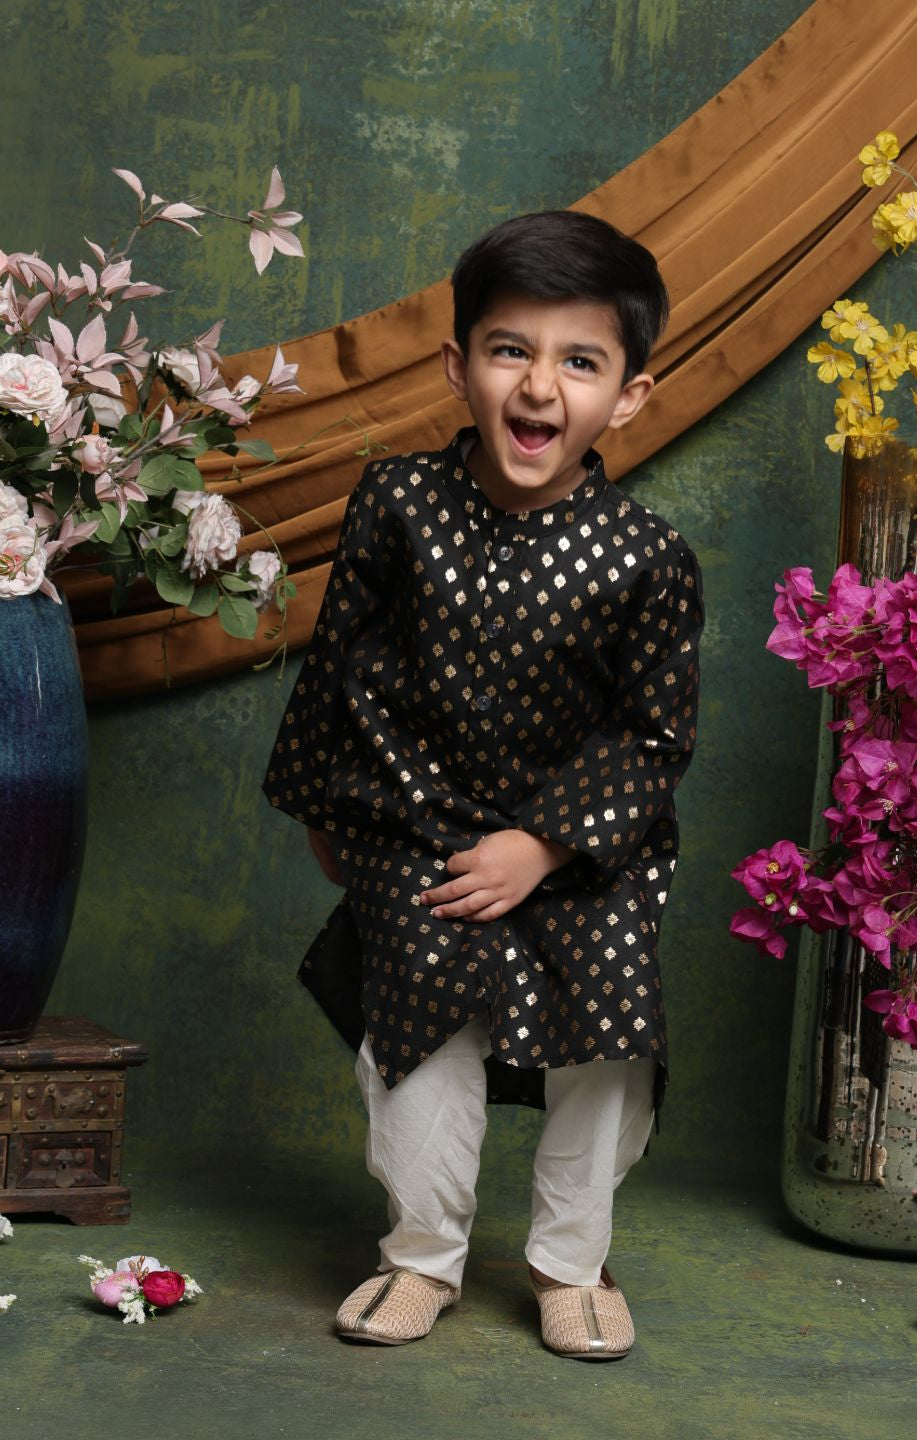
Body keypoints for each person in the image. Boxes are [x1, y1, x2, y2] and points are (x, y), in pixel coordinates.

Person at [263, 210, 703, 1360]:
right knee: (418, 1004)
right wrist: (333, 817)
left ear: (631, 395)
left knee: (611, 1016)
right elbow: (342, 667)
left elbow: (654, 739)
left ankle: (568, 1260)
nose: (539, 385)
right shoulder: (396, 505)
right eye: (511, 350)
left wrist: (546, 846)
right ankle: (421, 1256)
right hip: (418, 828)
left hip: (581, 849)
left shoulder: (648, 557)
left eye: (580, 361)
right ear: (459, 368)